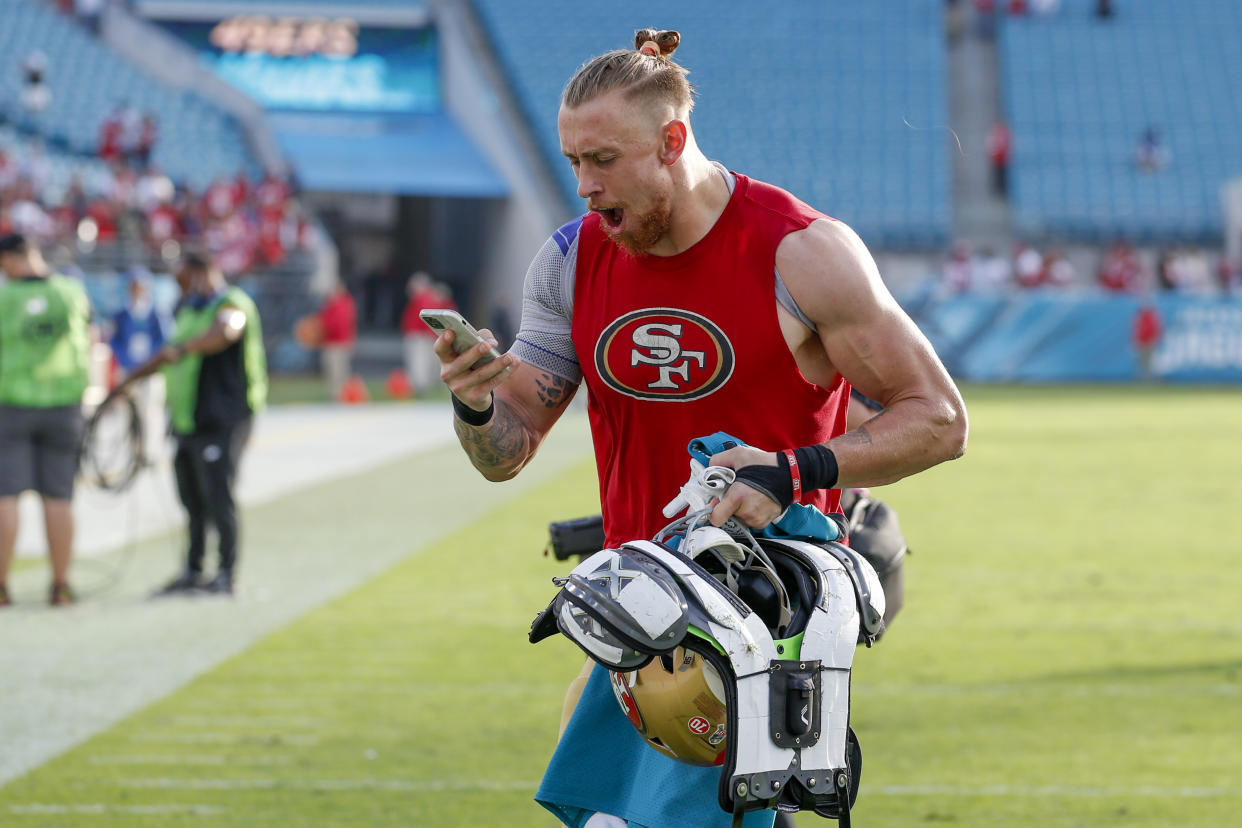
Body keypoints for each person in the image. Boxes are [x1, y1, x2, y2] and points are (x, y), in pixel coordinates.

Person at [432, 29, 968, 828]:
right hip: (632, 621)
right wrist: (476, 402)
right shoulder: (569, 262)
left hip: (766, 627)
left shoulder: (803, 253)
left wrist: (788, 473)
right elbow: (505, 452)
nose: (582, 185)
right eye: (573, 161)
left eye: (603, 160)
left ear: (671, 140)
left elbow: (940, 420)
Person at [111, 250, 267, 596]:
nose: (184, 286)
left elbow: (225, 333)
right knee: (191, 498)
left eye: (187, 278)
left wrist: (185, 350)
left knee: (219, 494)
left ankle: (227, 572)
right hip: (187, 417)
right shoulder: (189, 308)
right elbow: (167, 352)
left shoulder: (232, 303)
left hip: (224, 416)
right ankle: (193, 569)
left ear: (204, 271)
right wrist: (128, 381)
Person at [0, 234, 93, 607]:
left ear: (11, 258)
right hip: (63, 404)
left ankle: (2, 587)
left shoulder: (5, 298)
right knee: (59, 496)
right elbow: (88, 337)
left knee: (5, 496)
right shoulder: (70, 292)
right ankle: (60, 585)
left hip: (12, 405)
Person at [317, 278, 357, 400]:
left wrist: (323, 328)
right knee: (331, 370)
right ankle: (334, 393)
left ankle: (340, 394)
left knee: (339, 371)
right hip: (331, 342)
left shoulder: (343, 305)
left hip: (339, 343)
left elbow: (336, 325)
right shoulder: (330, 305)